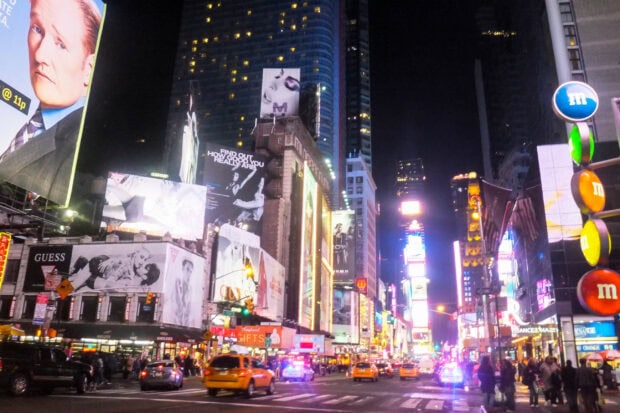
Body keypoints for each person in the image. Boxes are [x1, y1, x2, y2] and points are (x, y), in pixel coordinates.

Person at [0, 0, 101, 205]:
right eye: (37, 29)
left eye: (61, 44)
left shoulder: (74, 152)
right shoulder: (21, 117)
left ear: (89, 68)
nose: (39, 54)